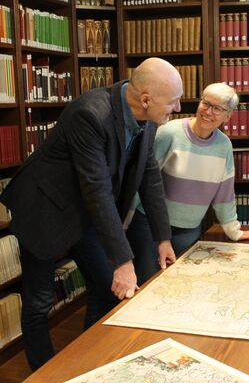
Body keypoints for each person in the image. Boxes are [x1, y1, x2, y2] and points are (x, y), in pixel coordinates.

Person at [0, 57, 182, 370]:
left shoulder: (150, 118)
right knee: (39, 302)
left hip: (86, 211)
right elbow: (97, 188)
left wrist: (163, 238)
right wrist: (124, 262)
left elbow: (149, 175)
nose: (177, 109)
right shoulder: (90, 114)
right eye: (174, 101)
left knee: (107, 290)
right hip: (44, 209)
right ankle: (43, 373)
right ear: (147, 99)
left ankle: (89, 367)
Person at [126, 82, 249, 286]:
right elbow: (142, 180)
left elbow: (224, 194)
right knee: (148, 285)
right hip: (150, 227)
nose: (209, 112)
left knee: (183, 285)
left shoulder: (224, 145)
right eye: (206, 104)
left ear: (228, 116)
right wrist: (125, 221)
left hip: (189, 230)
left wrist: (234, 231)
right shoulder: (169, 133)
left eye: (218, 109)